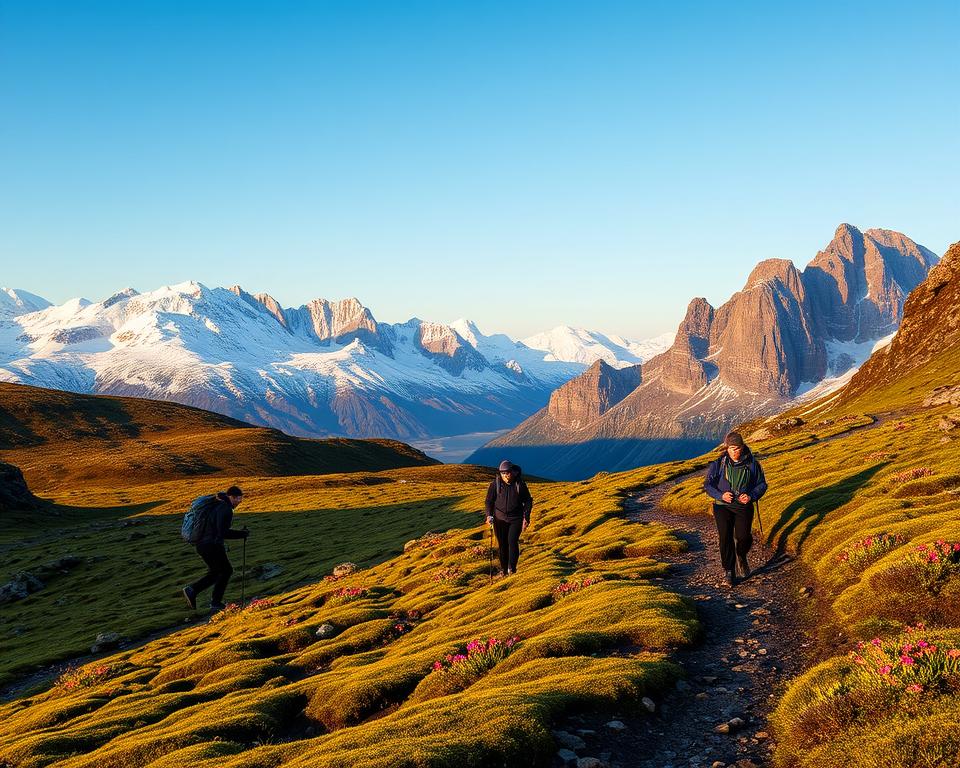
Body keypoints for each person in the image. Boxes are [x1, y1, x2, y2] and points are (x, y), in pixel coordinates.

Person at [704, 432, 767, 586]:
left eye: (737, 448)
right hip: (722, 506)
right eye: (731, 448)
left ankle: (741, 554)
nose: (734, 451)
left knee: (743, 537)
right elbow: (708, 485)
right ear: (727, 448)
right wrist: (720, 495)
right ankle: (729, 571)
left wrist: (751, 496)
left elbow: (762, 484)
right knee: (725, 537)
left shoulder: (752, 464)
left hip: (743, 506)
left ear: (742, 447)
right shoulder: (719, 464)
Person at [182, 485, 249, 613]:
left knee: (218, 571)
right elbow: (222, 532)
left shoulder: (217, 506)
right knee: (225, 571)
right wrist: (242, 534)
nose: (239, 502)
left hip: (202, 544)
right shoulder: (225, 509)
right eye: (238, 499)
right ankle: (210, 599)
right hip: (212, 544)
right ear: (231, 497)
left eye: (240, 499)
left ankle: (201, 595)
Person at [485, 460, 533, 576]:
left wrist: (526, 517)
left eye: (507, 473)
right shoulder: (495, 484)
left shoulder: (519, 484)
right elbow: (489, 501)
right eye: (503, 473)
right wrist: (489, 515)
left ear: (512, 472)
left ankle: (512, 568)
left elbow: (528, 501)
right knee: (502, 544)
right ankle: (503, 569)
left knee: (512, 541)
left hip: (516, 518)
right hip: (499, 518)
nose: (505, 475)